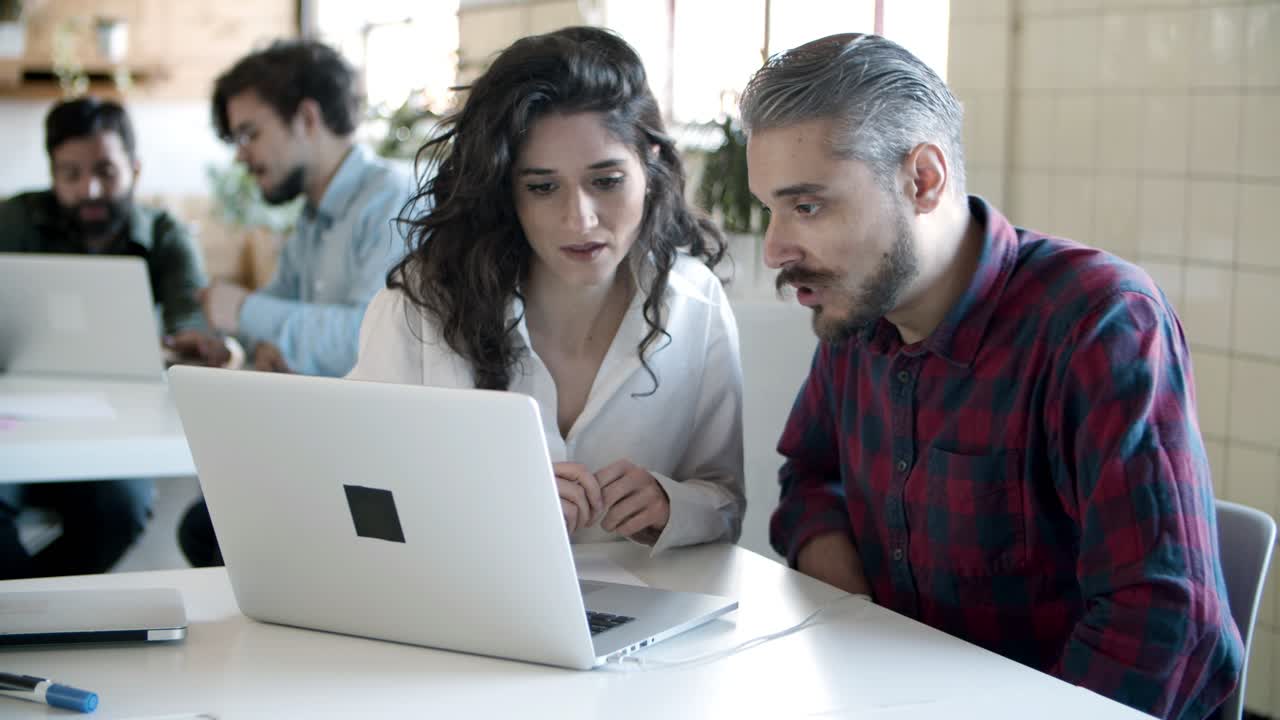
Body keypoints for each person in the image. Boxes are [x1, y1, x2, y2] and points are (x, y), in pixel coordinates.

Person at [744, 34, 1241, 719]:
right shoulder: (859, 309)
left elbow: (1161, 621)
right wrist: (855, 609)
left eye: (807, 207)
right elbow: (809, 477)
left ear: (924, 179)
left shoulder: (1100, 323)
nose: (774, 248)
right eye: (770, 207)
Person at [347, 26, 745, 552]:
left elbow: (725, 500)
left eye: (606, 181)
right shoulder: (419, 307)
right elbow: (359, 503)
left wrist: (673, 506)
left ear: (648, 165)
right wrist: (497, 513)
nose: (579, 219)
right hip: (460, 611)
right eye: (542, 187)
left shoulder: (696, 303)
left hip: (648, 616)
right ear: (506, 191)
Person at [175, 39, 414, 567]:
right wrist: (232, 341)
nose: (240, 154)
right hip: (329, 443)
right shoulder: (312, 216)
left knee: (211, 530)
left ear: (307, 117)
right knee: (205, 526)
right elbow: (280, 320)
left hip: (384, 461)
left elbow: (367, 339)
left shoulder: (392, 201)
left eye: (249, 133)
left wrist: (245, 313)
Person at [0, 97, 211, 578]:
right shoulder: (11, 222)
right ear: (52, 173)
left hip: (113, 422)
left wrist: (192, 342)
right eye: (70, 174)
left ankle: (33, 608)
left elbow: (192, 323)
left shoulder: (166, 235)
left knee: (121, 508)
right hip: (13, 416)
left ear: (134, 169)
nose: (88, 188)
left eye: (105, 171)